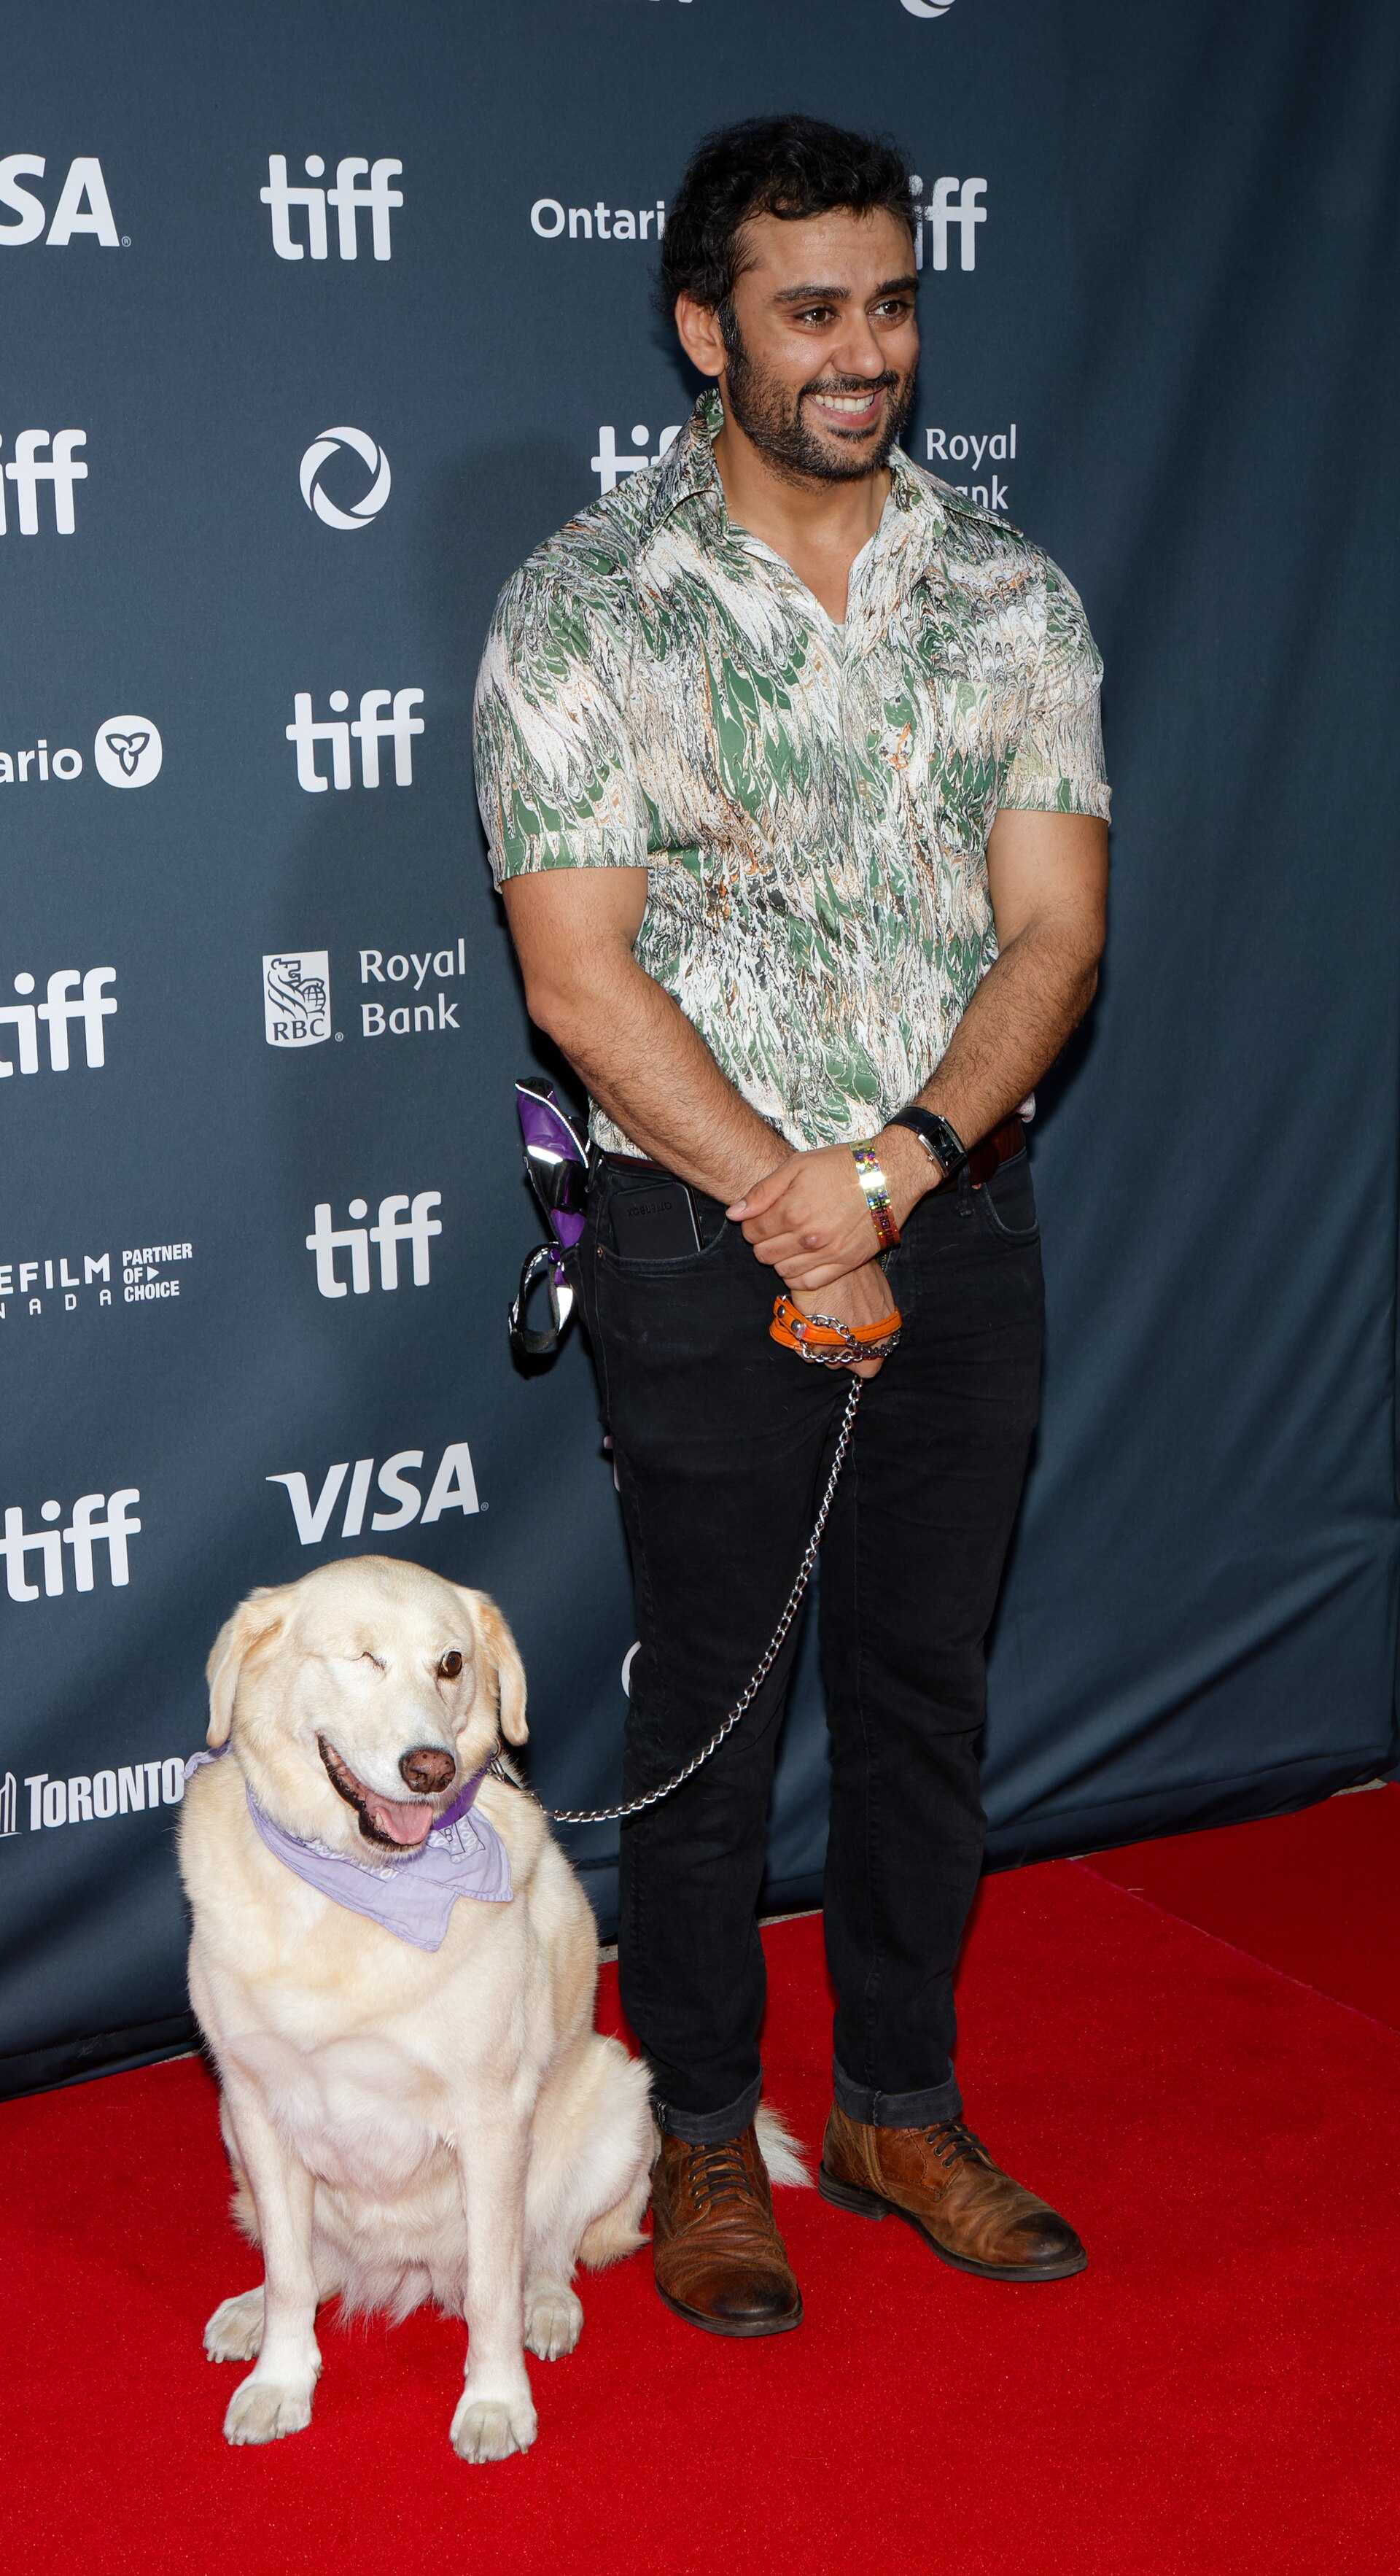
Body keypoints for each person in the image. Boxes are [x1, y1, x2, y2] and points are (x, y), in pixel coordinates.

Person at [474, 115, 1109, 2338]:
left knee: (924, 1692)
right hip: (693, 1242)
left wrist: (901, 1172)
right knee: (714, 1715)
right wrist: (787, 1202)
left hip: (956, 1216)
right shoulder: (584, 605)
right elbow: (578, 969)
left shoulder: (1013, 596)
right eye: (811, 309)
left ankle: (897, 2106)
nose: (864, 351)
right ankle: (698, 2134)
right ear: (701, 327)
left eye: (893, 302)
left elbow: (1051, 933)